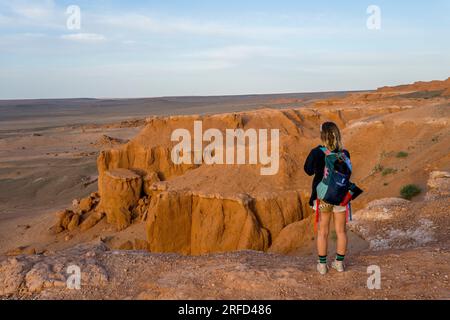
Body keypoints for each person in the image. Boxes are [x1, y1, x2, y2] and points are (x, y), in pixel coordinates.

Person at [304, 122, 350, 275]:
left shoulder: (317, 152)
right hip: (340, 196)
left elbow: (308, 170)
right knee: (341, 231)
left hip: (323, 197)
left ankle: (322, 266)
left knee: (323, 231)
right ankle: (339, 263)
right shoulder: (344, 154)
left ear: (322, 135)